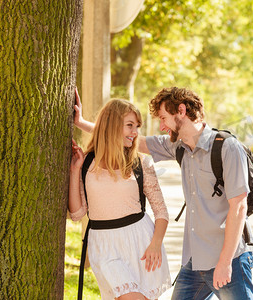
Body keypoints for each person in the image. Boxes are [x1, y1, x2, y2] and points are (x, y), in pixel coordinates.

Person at [74, 87, 253, 300]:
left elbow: (239, 206)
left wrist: (225, 263)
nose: (161, 126)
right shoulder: (178, 146)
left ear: (181, 110)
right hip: (195, 261)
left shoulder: (227, 148)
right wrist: (81, 123)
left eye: (163, 118)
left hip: (230, 258)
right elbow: (127, 138)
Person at [69, 96, 171, 300]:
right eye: (130, 125)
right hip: (104, 245)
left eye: (137, 126)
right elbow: (77, 213)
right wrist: (75, 170)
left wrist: (155, 244)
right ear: (112, 125)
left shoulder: (141, 164)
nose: (135, 133)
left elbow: (161, 211)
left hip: (142, 244)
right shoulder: (87, 162)